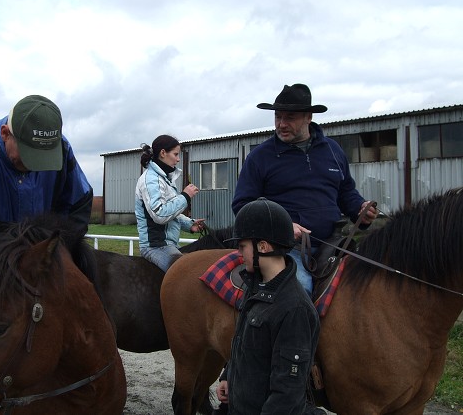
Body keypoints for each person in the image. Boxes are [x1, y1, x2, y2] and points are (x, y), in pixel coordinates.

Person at [0, 94, 93, 367]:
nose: (35, 165)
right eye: (29, 155)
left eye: (43, 157)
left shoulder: (61, 148)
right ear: (5, 133)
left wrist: (58, 258)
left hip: (38, 263)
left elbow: (78, 202)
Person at [232, 83, 378, 296]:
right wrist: (280, 226)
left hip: (334, 243)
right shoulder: (260, 157)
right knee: (300, 291)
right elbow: (243, 205)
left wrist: (360, 208)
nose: (281, 124)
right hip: (283, 248)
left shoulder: (332, 150)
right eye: (278, 117)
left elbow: (346, 192)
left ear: (309, 117)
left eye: (290, 117)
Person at [215, 198, 320, 414]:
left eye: (242, 246)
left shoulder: (294, 308)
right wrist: (229, 377)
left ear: (263, 246)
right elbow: (242, 342)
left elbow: (286, 393)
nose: (239, 253)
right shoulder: (255, 287)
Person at [135, 134, 204, 272]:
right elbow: (160, 214)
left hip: (167, 245)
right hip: (155, 247)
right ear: (163, 153)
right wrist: (185, 196)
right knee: (187, 274)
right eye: (176, 154)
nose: (178, 159)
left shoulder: (164, 179)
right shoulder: (151, 180)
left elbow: (172, 213)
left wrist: (190, 224)